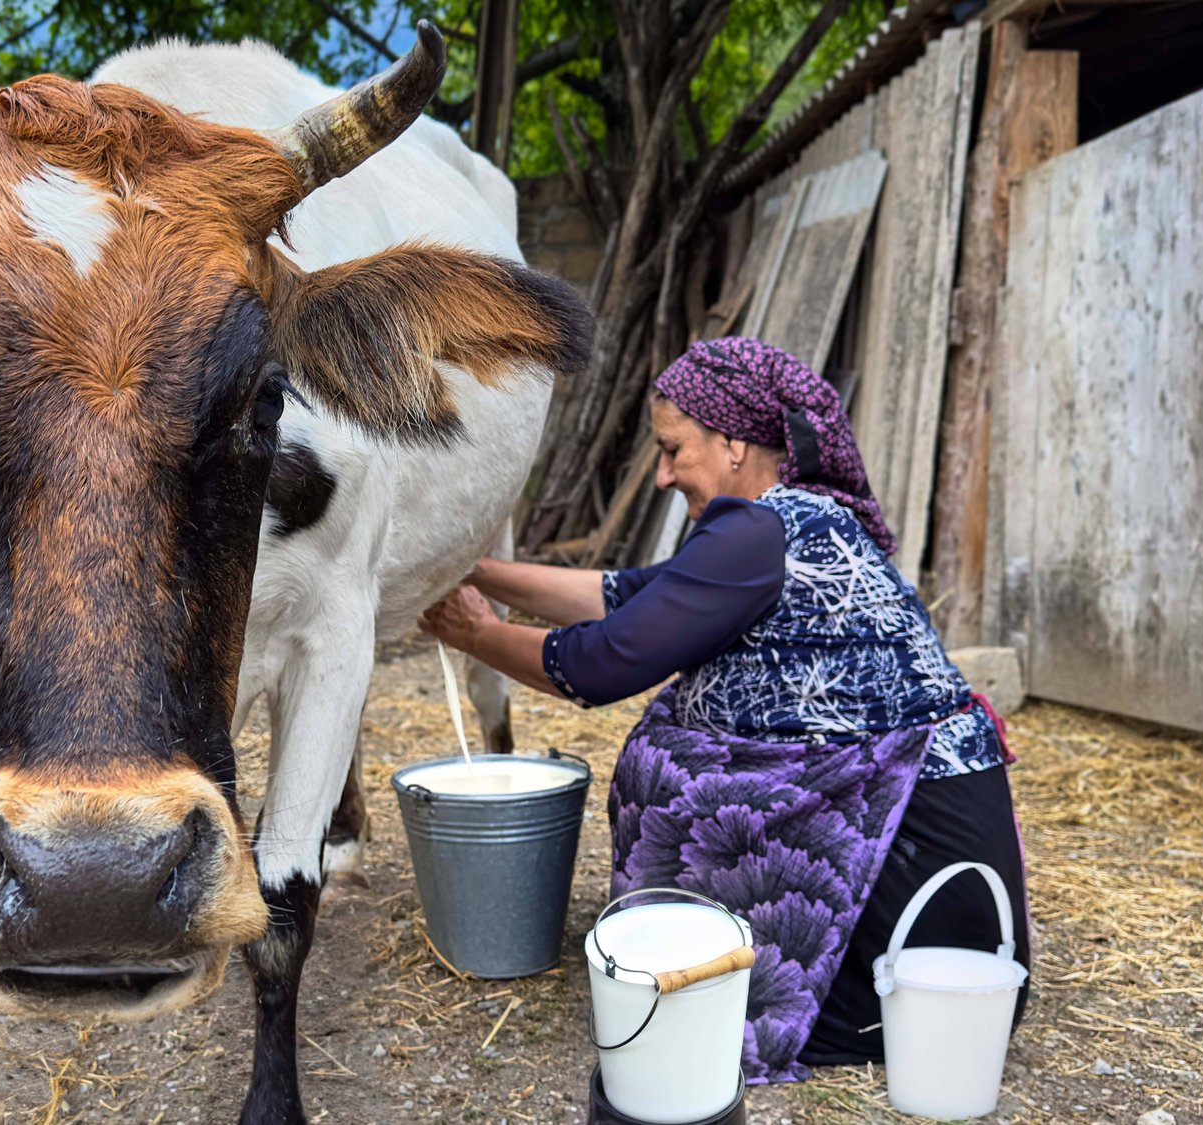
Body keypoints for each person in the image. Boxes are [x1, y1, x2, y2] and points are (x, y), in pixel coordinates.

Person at [419, 337, 1029, 1085]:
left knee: (683, 767)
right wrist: (467, 565)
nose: (664, 474)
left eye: (674, 449)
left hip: (906, 877)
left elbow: (603, 662)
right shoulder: (788, 521)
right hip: (954, 885)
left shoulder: (759, 530)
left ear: (735, 441)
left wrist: (477, 633)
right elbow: (632, 593)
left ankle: (761, 984)